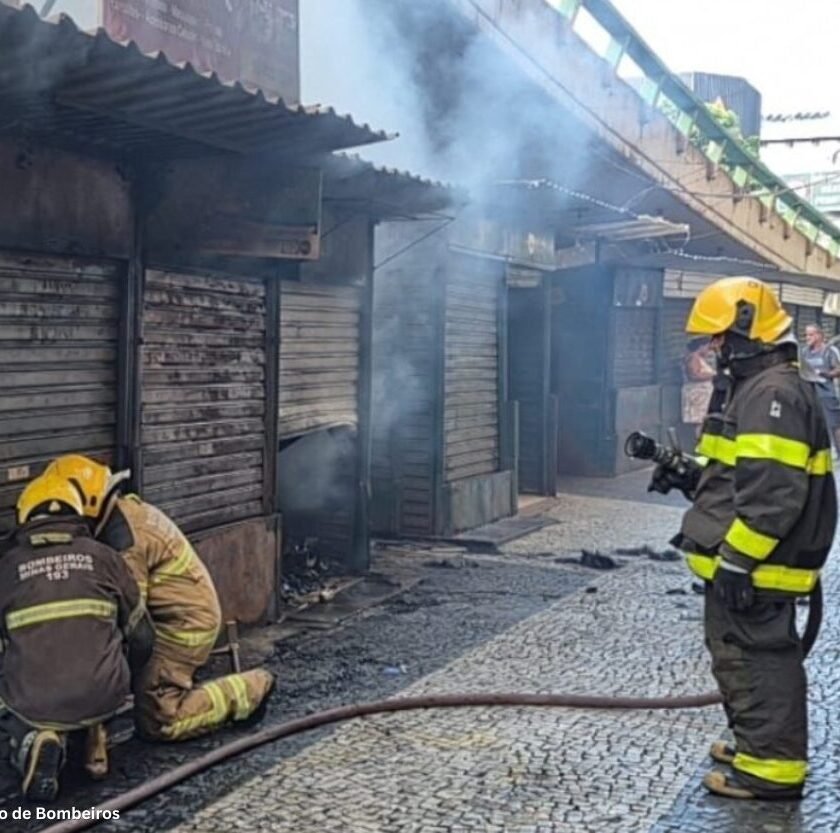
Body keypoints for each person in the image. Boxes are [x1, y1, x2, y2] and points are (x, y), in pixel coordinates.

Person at [652, 277, 837, 800]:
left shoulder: (771, 394)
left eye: (719, 339)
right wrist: (687, 475)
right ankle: (756, 742)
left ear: (745, 329)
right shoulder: (757, 389)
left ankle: (771, 769)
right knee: (737, 654)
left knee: (759, 657)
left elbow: (774, 496)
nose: (715, 350)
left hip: (757, 563)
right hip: (749, 558)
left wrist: (737, 560)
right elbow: (738, 476)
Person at [45, 455, 275, 742]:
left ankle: (251, 689)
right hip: (173, 616)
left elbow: (129, 621)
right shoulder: (119, 516)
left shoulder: (124, 544)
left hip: (182, 628)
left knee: (159, 721)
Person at [0, 473, 153, 802]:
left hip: (36, 701)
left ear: (25, 516)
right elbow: (142, 637)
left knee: (14, 698)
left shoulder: (7, 567)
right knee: (94, 658)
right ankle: (94, 733)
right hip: (105, 694)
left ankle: (32, 741)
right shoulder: (106, 557)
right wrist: (121, 677)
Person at [800, 324, 840, 453]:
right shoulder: (804, 352)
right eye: (806, 335)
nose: (807, 338)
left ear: (819, 335)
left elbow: (838, 369)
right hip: (809, 395)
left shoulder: (829, 351)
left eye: (810, 335)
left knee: (834, 426)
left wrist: (824, 374)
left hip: (827, 395)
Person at [681, 337, 716, 428]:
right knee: (699, 422)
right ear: (701, 347)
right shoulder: (694, 357)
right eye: (707, 347)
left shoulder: (698, 358)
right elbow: (694, 375)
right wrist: (713, 375)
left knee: (702, 422)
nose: (708, 350)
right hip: (697, 394)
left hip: (701, 395)